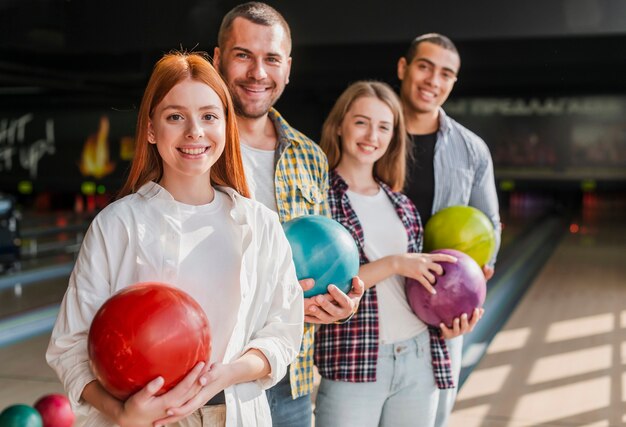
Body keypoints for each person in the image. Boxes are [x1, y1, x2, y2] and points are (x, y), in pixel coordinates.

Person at [46, 51, 304, 427]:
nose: (194, 132)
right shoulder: (116, 224)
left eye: (209, 116)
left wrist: (228, 373)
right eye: (175, 117)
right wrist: (123, 413)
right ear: (151, 129)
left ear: (225, 127)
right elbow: (69, 346)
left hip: (232, 413)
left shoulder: (261, 224)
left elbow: (283, 334)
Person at [212, 3, 364, 426]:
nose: (258, 72)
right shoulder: (195, 145)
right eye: (243, 55)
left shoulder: (309, 155)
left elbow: (331, 255)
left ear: (288, 67)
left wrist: (341, 303)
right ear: (217, 58)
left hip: (288, 380)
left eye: (271, 59)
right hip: (207, 370)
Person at [313, 81, 483, 427]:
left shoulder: (401, 204)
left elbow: (420, 287)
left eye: (383, 126)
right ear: (340, 125)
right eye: (361, 122)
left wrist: (449, 322)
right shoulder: (319, 199)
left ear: (393, 136)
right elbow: (326, 285)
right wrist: (395, 264)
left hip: (419, 356)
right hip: (354, 360)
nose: (371, 134)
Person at [397, 33, 502, 426]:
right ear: (404, 68)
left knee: (433, 418)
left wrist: (472, 287)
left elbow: (488, 226)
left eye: (445, 73)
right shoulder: (371, 135)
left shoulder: (471, 149)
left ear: (453, 82)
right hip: (377, 301)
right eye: (424, 66)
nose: (432, 80)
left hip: (441, 306)